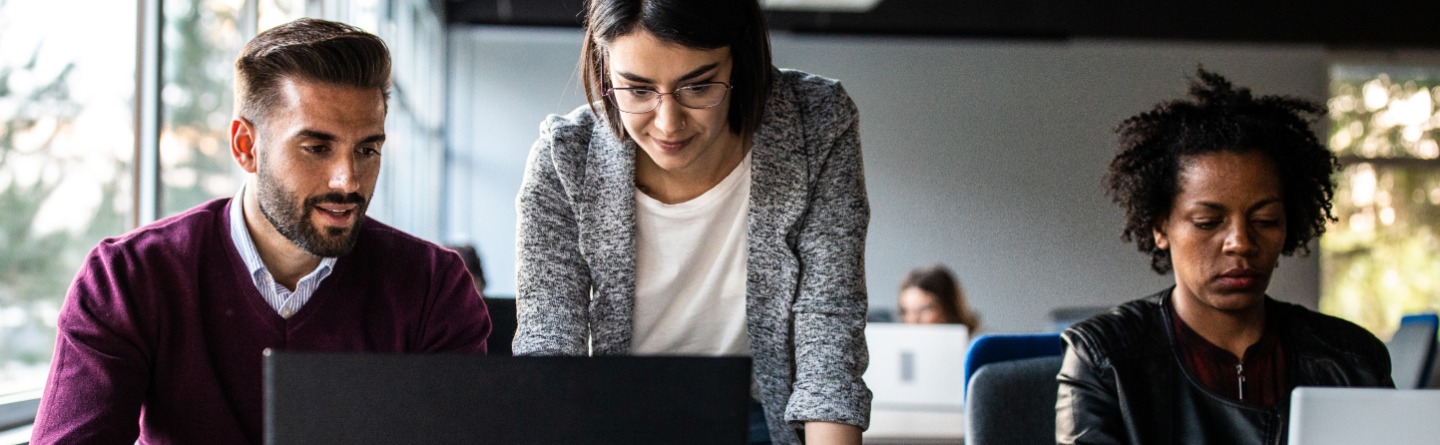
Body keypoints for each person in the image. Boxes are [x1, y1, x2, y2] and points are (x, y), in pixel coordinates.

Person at [30, 18, 491, 444]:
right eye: (316, 147)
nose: (347, 180)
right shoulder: (128, 279)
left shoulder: (434, 287)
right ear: (246, 146)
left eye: (367, 150)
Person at [513, 1, 870, 443]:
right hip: (617, 417)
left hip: (758, 418)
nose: (668, 124)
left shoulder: (815, 123)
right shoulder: (564, 159)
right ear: (605, 69)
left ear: (740, 58)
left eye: (698, 87)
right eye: (637, 90)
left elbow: (828, 327)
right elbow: (550, 353)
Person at [1056, 69, 1393, 444]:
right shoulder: (1104, 359)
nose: (1240, 242)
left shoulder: (1353, 361)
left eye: (1265, 220)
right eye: (1207, 222)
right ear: (1161, 228)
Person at [897, 264, 980, 332]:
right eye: (906, 311)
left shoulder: (977, 349)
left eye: (925, 309)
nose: (913, 320)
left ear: (948, 309)